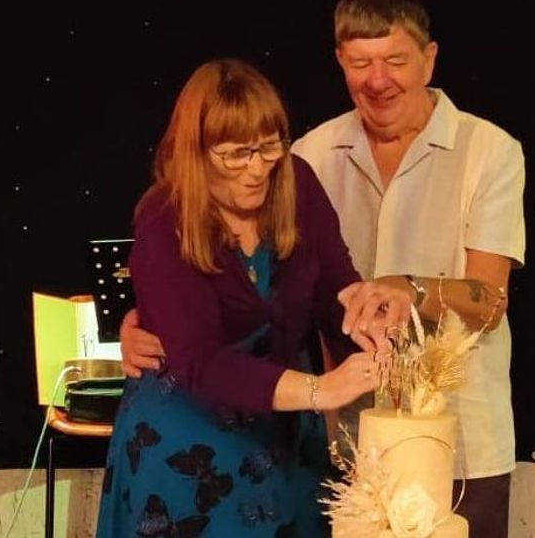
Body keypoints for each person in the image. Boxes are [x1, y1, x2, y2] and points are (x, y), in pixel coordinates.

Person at [121, 0, 526, 536]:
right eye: (361, 63)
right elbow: (198, 348)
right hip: (213, 453)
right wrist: (144, 321)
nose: (258, 169)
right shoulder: (307, 154)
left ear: (430, 57)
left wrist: (379, 303)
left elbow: (344, 291)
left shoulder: (483, 151)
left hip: (428, 435)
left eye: (267, 148)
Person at [95, 58, 411, 538]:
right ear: (195, 152)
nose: (256, 169)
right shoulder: (165, 219)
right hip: (189, 450)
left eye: (268, 148)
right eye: (235, 154)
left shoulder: (297, 182)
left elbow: (334, 287)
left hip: (283, 443)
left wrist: (365, 312)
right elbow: (199, 363)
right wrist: (321, 390)